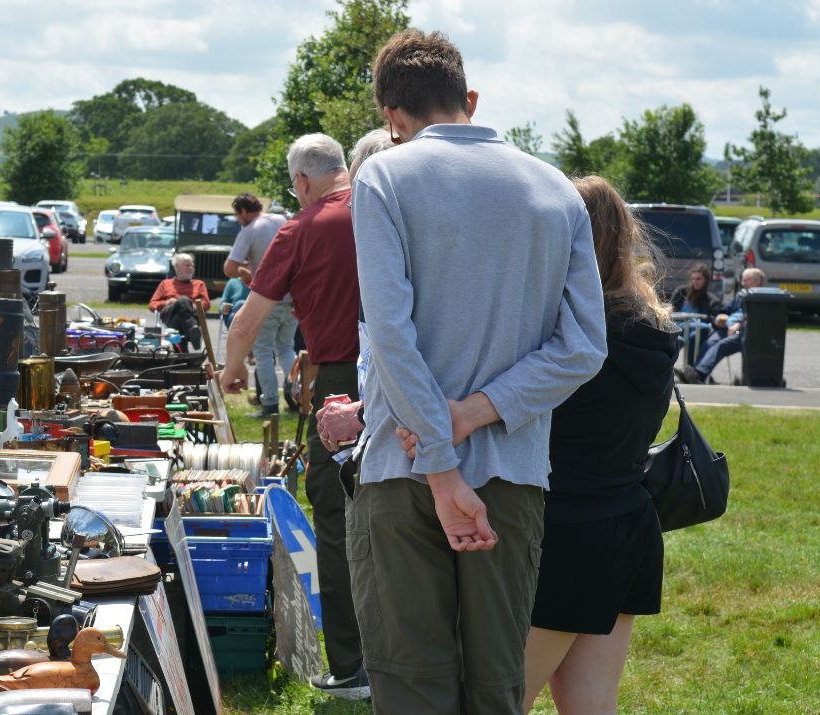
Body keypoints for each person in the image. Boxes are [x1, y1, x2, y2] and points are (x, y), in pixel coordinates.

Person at [348, 30, 606, 713]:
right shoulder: (556, 190)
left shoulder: (383, 175)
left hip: (403, 474)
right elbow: (583, 347)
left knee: (410, 684)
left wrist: (439, 456)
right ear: (470, 98)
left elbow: (390, 337)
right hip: (512, 472)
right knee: (495, 686)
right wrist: (476, 413)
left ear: (390, 119)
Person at [517, 176, 680, 713]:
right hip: (628, 525)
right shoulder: (653, 327)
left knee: (496, 699)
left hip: (565, 533)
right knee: (590, 705)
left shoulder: (567, 339)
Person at [218, 133, 367, 700]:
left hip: (341, 382)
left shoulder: (300, 228)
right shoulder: (383, 207)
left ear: (302, 182)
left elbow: (247, 320)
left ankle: (352, 666)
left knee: (333, 517)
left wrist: (233, 370)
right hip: (406, 376)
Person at [314, 128, 400, 450]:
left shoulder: (405, 266)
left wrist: (360, 415)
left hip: (402, 460)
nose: (352, 210)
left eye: (357, 197)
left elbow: (416, 372)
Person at [226, 192, 294, 417]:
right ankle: (295, 395)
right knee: (286, 348)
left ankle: (270, 403)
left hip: (267, 298)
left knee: (263, 351)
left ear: (244, 211)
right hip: (293, 298)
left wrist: (245, 270)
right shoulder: (283, 221)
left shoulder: (250, 229)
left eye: (238, 215)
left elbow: (229, 268)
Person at [681, 267, 766, 384]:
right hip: (726, 328)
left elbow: (756, 317)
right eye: (742, 280)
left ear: (757, 281)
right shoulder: (741, 295)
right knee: (709, 342)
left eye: (746, 280)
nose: (742, 283)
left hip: (745, 333)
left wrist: (739, 325)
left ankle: (699, 375)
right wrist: (718, 319)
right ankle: (695, 373)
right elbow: (725, 309)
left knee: (721, 345)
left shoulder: (762, 297)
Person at [147, 253, 210, 350]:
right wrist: (167, 303)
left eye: (192, 265)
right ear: (176, 267)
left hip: (190, 314)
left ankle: (181, 354)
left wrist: (191, 305)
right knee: (182, 301)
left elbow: (206, 304)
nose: (191, 268)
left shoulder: (199, 284)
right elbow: (152, 304)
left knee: (180, 313)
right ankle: (192, 331)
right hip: (170, 313)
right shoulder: (166, 283)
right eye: (187, 265)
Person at [669, 263, 723, 366]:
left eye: (698, 279)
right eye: (693, 279)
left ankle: (690, 368)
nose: (695, 282)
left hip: (696, 329)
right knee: (696, 331)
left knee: (697, 334)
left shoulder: (711, 300)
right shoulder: (682, 291)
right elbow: (670, 307)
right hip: (678, 326)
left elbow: (714, 319)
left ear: (705, 280)